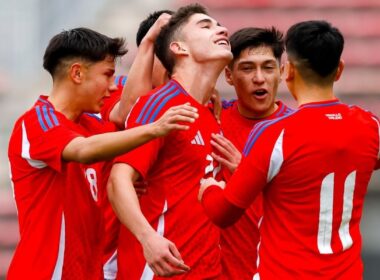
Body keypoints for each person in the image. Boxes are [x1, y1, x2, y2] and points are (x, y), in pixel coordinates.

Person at [7, 27, 198, 279]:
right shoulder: (36, 122)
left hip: (88, 271)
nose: (111, 87)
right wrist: (156, 128)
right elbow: (84, 151)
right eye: (107, 75)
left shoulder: (90, 125)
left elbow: (127, 120)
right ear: (77, 73)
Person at [199, 20, 380, 279]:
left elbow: (222, 212)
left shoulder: (276, 134)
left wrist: (209, 188)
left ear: (287, 70)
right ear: (339, 70)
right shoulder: (369, 125)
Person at [107, 3, 232, 279]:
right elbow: (118, 181)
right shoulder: (162, 103)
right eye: (205, 26)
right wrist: (147, 238)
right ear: (179, 48)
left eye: (219, 25)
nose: (221, 29)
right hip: (158, 272)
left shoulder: (210, 114)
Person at [209, 27, 292, 279]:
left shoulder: (299, 129)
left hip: (276, 270)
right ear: (229, 75)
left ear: (281, 72)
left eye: (268, 68)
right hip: (215, 272)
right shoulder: (212, 120)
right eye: (247, 68)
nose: (259, 78)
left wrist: (247, 173)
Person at [101, 10, 173, 280]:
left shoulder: (197, 104)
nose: (173, 66)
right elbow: (129, 113)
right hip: (109, 254)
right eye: (164, 56)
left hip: (168, 253)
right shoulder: (115, 89)